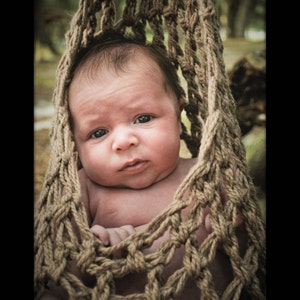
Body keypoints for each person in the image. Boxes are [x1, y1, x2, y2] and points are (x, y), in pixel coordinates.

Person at [37, 30, 246, 300]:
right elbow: (54, 278)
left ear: (177, 116)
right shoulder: (80, 190)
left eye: (143, 118)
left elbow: (248, 259)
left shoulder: (205, 175)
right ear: (74, 142)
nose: (124, 141)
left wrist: (234, 231)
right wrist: (93, 249)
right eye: (98, 133)